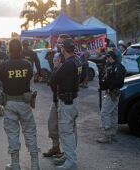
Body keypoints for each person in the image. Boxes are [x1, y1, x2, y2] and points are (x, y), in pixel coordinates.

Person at [0, 39, 40, 170]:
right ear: (21, 49)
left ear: (9, 50)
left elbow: (1, 79)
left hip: (10, 103)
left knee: (12, 134)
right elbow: (29, 78)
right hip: (24, 103)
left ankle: (15, 165)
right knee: (30, 132)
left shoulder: (3, 66)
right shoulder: (27, 65)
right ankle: (35, 164)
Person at [54, 38, 82, 170]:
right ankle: (68, 154)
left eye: (61, 47)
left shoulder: (67, 64)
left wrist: (56, 66)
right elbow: (83, 78)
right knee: (71, 129)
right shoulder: (77, 60)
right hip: (74, 98)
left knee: (66, 131)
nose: (60, 49)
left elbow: (54, 80)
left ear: (64, 49)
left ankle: (71, 160)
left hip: (67, 101)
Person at [43, 34, 70, 159]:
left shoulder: (69, 60)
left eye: (60, 43)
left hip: (66, 99)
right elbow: (53, 77)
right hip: (56, 97)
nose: (58, 44)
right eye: (57, 42)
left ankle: (68, 154)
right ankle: (56, 147)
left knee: (66, 128)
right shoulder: (56, 56)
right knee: (52, 123)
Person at [97, 51, 126, 144]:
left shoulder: (115, 67)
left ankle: (107, 135)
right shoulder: (117, 66)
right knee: (113, 112)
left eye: (107, 57)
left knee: (105, 113)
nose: (106, 59)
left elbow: (115, 81)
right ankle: (112, 134)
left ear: (110, 57)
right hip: (114, 92)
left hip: (112, 93)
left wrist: (109, 86)